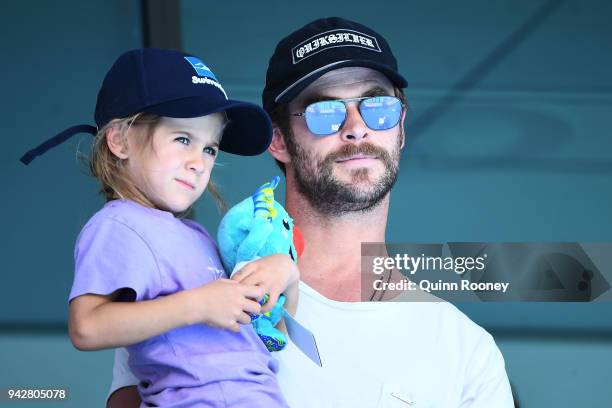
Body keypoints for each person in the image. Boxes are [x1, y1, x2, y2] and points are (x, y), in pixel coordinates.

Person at [108, 18, 515, 407]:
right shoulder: (190, 287)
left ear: (401, 127)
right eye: (325, 112)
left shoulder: (466, 351)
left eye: (377, 106)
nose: (356, 128)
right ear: (279, 140)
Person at [23, 48, 299, 407]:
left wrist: (286, 276)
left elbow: (271, 337)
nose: (199, 163)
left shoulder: (197, 236)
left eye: (211, 149)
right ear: (120, 140)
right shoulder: (117, 224)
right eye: (183, 139)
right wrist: (198, 304)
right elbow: (86, 327)